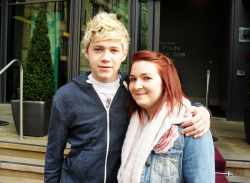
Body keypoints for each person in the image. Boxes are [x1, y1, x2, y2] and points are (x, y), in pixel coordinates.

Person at [44, 12, 211, 182]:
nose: (106, 58)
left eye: (114, 50)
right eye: (98, 49)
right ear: (86, 52)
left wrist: (201, 110)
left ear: (124, 54)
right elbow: (53, 156)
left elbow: (170, 103)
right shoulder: (66, 96)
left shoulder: (133, 88)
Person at [117, 50, 215, 183]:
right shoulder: (133, 120)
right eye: (133, 79)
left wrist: (204, 111)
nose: (137, 86)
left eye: (147, 78)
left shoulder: (192, 126)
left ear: (165, 83)